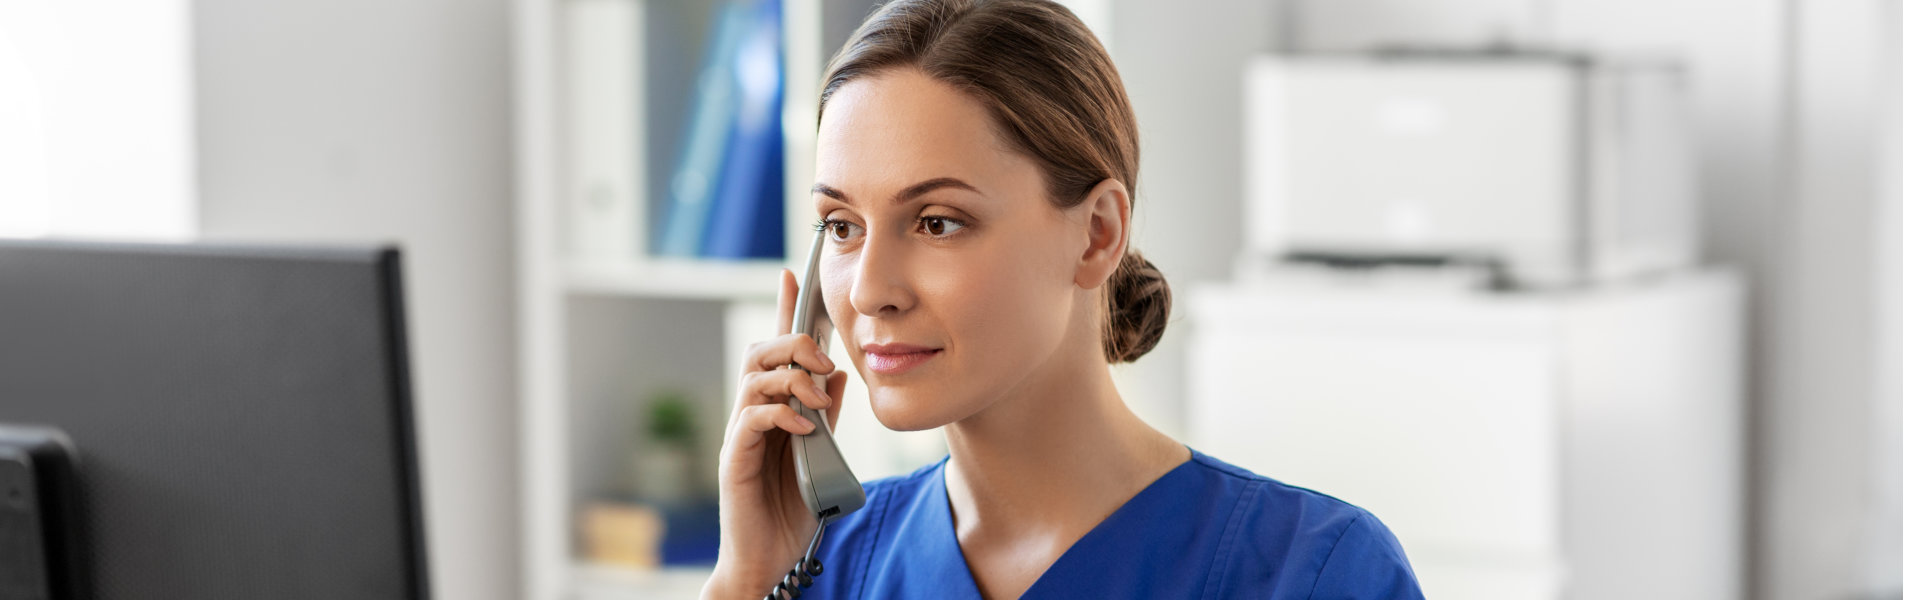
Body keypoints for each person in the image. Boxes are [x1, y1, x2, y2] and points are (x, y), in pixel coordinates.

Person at [703, 0, 1424, 597]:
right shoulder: (827, 566)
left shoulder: (1315, 573)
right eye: (841, 226)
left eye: (937, 222)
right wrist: (744, 578)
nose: (867, 292)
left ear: (1096, 235)